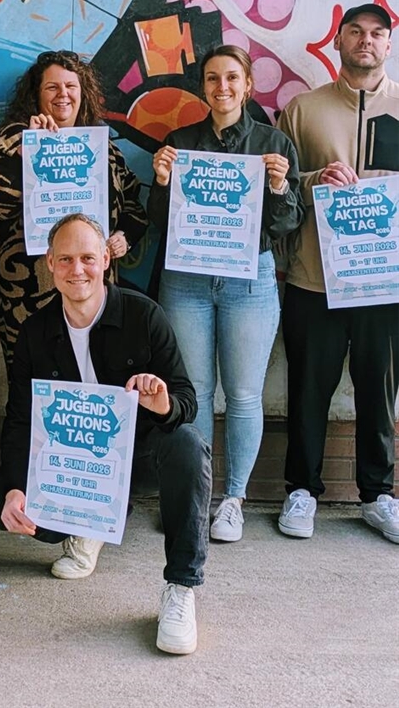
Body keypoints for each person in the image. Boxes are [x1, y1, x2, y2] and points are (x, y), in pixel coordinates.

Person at [0, 213, 210, 654]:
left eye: (87, 257)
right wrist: (15, 488)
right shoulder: (35, 331)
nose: (77, 269)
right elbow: (20, 419)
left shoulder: (144, 314)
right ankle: (85, 524)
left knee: (188, 444)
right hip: (74, 467)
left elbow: (187, 400)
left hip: (136, 460)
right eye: (66, 259)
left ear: (106, 258)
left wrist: (162, 403)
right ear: (50, 263)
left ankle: (181, 588)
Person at [148, 45, 303, 542]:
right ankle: (195, 496)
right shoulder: (180, 142)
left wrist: (278, 188)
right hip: (187, 281)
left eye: (232, 77)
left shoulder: (273, 142)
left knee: (243, 394)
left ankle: (233, 499)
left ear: (248, 85)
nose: (223, 87)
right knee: (193, 393)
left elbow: (287, 223)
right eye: (213, 78)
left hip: (248, 280)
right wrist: (162, 181)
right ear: (203, 86)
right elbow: (159, 223)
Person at [276, 2, 399, 544]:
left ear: (388, 45)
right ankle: (301, 490)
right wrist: (315, 181)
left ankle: (377, 495)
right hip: (314, 279)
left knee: (379, 390)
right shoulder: (303, 109)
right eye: (355, 31)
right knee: (308, 389)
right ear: (338, 41)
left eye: (377, 33)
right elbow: (280, 187)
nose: (365, 40)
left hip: (384, 282)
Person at [0, 50, 148, 366]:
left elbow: (133, 205)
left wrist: (125, 236)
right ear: (36, 94)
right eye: (52, 87)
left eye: (71, 86)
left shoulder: (104, 148)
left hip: (91, 287)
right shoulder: (12, 139)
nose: (63, 94)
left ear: (83, 93)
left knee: (94, 370)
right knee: (30, 375)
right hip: (27, 290)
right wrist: (31, 150)